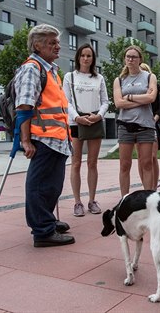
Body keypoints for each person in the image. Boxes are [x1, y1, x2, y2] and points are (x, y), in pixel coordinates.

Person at [14, 24, 74, 247]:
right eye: (52, 42)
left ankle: (46, 220)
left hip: (58, 139)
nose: (58, 46)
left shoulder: (51, 70)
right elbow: (24, 106)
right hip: (43, 137)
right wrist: (26, 140)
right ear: (38, 45)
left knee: (52, 186)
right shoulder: (32, 69)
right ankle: (42, 231)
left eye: (57, 42)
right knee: (40, 185)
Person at [63, 43, 109, 217]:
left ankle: (92, 200)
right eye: (83, 55)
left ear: (93, 58)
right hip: (76, 123)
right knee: (76, 163)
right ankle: (77, 202)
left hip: (95, 121)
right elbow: (65, 101)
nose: (85, 58)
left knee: (92, 163)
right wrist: (76, 117)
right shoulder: (70, 77)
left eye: (89, 55)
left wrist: (99, 115)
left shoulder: (99, 78)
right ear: (78, 57)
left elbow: (105, 101)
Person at [114, 45, 158, 195]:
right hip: (125, 125)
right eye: (128, 56)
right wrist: (142, 99)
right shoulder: (119, 80)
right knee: (124, 165)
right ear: (125, 59)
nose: (131, 59)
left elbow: (151, 98)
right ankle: (124, 198)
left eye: (134, 57)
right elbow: (119, 103)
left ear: (140, 59)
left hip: (145, 125)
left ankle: (148, 198)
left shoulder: (149, 77)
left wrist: (130, 97)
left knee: (146, 163)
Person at [138, 62, 160, 189]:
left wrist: (154, 119)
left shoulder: (154, 88)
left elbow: (159, 107)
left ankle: (154, 187)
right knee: (142, 158)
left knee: (152, 157)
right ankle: (145, 186)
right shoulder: (135, 87)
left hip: (151, 125)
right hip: (137, 124)